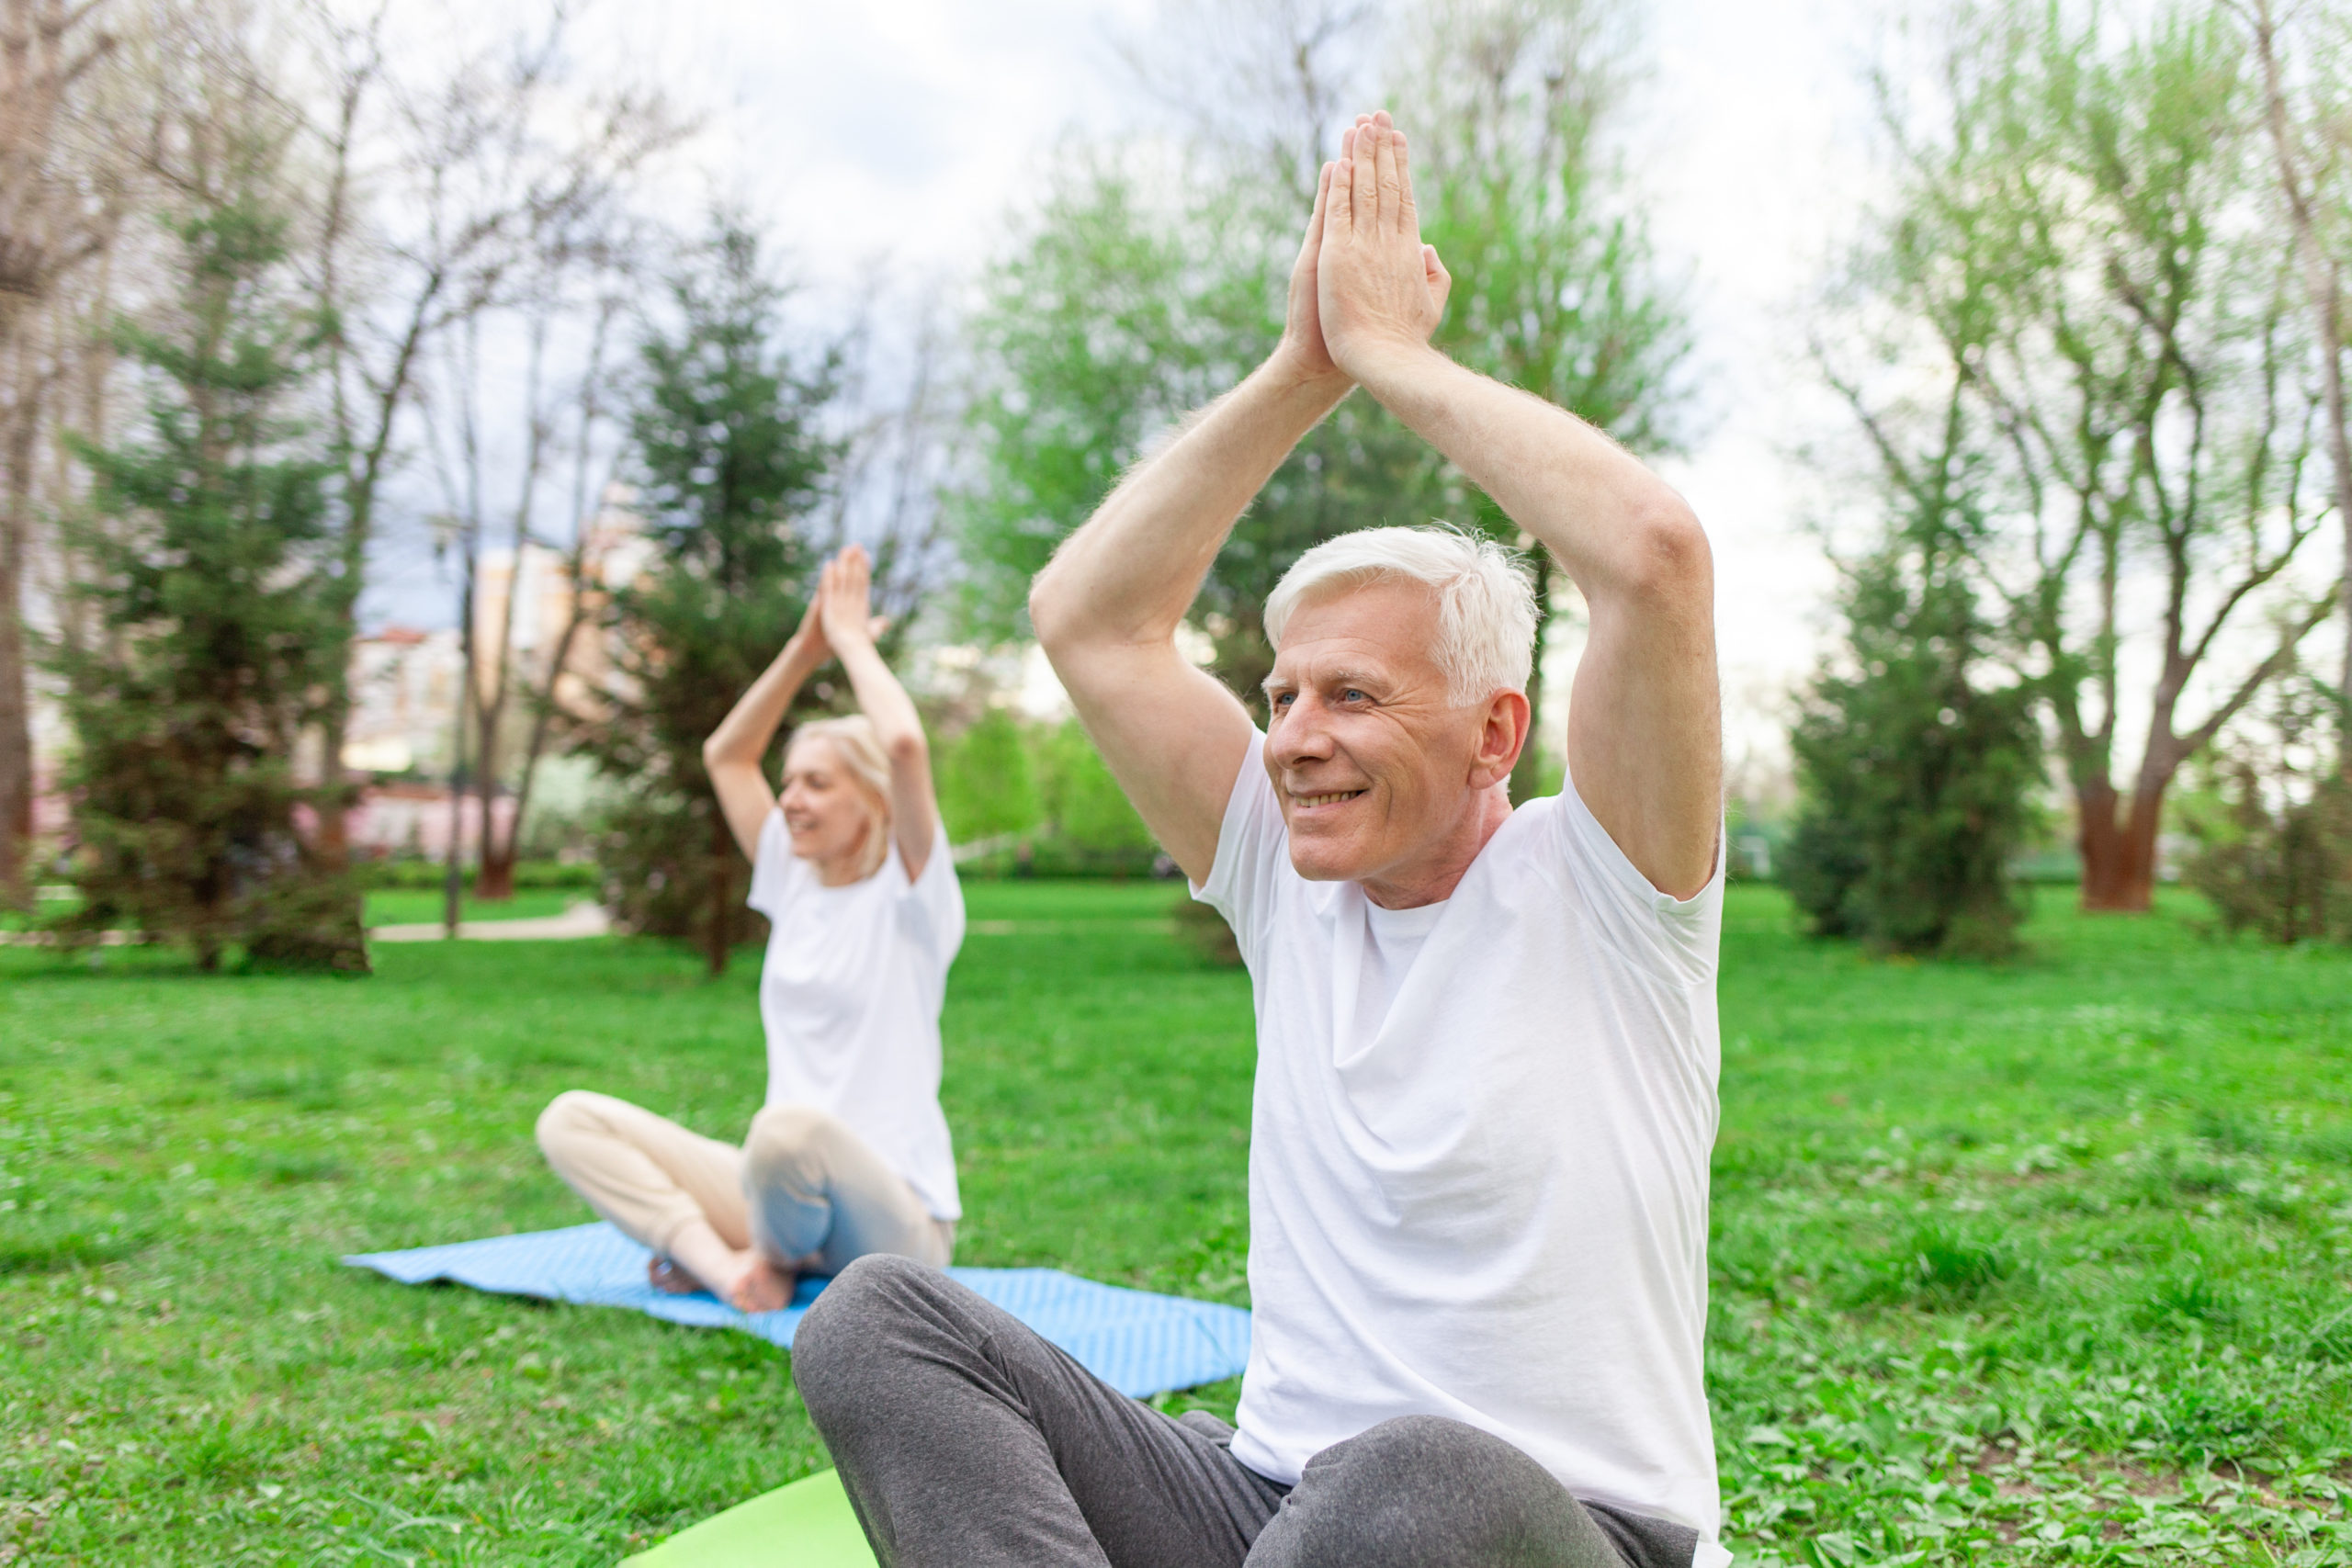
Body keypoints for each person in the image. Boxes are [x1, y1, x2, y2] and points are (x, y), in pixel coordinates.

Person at [791, 110, 1727, 1568]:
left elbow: (1655, 558)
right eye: (1281, 693)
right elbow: (1087, 616)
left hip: (1551, 1526)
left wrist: (1399, 361)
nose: (1291, 736)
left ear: (1494, 733)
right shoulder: (1285, 877)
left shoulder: (1611, 886)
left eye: (1352, 694)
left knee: (1409, 1476)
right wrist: (1306, 364)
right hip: (1269, 1506)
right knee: (878, 1319)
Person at [535, 545, 965, 1314]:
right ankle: (725, 1264)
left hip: (893, 1220)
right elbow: (726, 754)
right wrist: (805, 650)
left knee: (785, 1130)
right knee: (571, 1118)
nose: (791, 798)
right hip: (779, 1189)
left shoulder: (913, 893)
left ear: (871, 799)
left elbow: (903, 743)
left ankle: (771, 1257)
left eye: (817, 783)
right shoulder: (791, 876)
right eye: (789, 780)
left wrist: (853, 638)